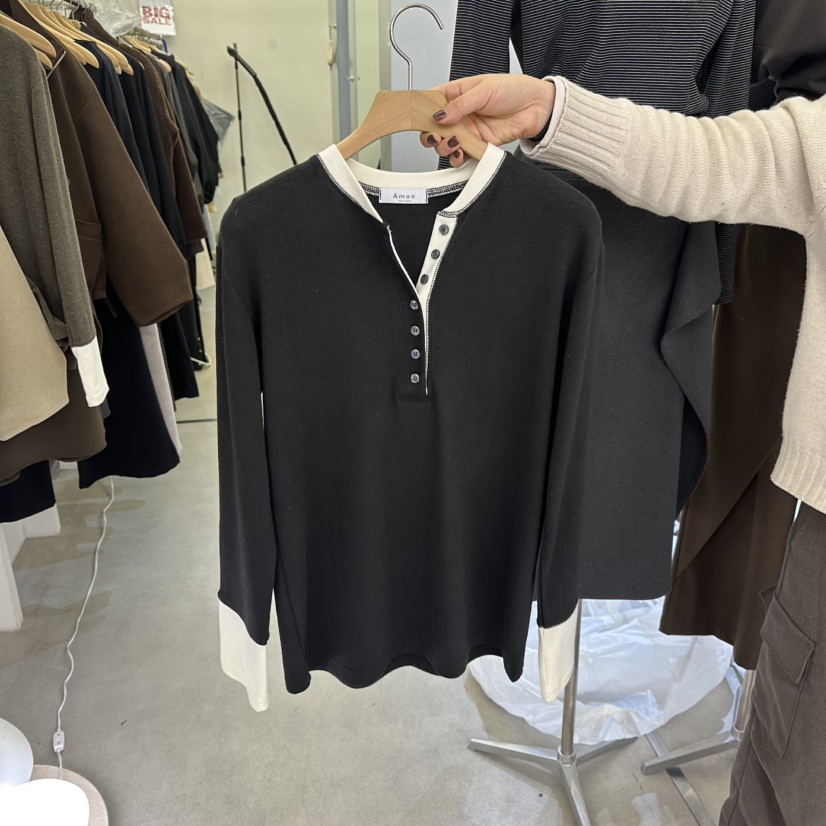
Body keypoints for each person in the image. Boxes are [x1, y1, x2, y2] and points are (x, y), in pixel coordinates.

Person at [422, 74, 826, 826]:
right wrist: (549, 113)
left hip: (653, 258)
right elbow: (714, 157)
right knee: (784, 783)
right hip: (572, 192)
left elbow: (725, 90)